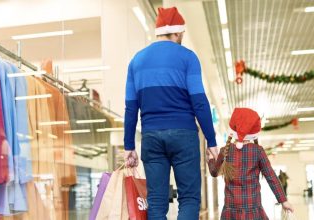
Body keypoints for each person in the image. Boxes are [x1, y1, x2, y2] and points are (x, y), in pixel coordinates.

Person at [123, 7, 218, 220]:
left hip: (151, 136)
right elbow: (199, 102)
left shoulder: (136, 61)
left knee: (156, 201)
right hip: (184, 134)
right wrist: (211, 141)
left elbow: (130, 107)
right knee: (190, 198)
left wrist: (128, 145)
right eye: (182, 34)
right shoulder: (188, 57)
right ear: (177, 32)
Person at [207, 108, 293, 219]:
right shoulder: (258, 151)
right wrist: (283, 201)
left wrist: (210, 159)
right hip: (253, 212)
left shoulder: (225, 150)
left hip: (230, 212)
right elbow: (271, 177)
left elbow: (214, 172)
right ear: (254, 132)